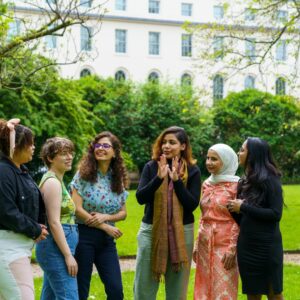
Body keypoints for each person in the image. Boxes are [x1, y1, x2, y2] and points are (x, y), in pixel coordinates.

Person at [134, 126, 201, 300]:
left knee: (177, 289)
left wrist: (177, 182)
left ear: (183, 146)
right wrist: (158, 178)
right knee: (144, 287)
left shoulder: (192, 171)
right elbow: (141, 198)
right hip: (151, 230)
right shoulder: (151, 167)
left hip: (182, 231)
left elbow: (192, 204)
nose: (166, 146)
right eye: (164, 142)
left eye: (172, 142)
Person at [70, 131, 129, 300]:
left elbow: (123, 213)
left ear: (115, 152)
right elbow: (76, 208)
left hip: (106, 242)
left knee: (116, 290)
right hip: (83, 237)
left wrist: (106, 218)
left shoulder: (117, 178)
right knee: (82, 289)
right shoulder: (83, 174)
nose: (101, 149)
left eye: (106, 146)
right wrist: (103, 226)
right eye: (98, 145)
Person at [228, 137, 284, 300]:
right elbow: (243, 219)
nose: (239, 153)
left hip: (266, 247)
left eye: (242, 150)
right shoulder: (243, 182)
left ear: (254, 154)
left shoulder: (271, 179)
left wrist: (243, 207)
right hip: (247, 246)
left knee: (274, 293)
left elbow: (275, 214)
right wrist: (232, 209)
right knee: (252, 293)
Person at [0, 118, 48, 300]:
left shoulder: (21, 171)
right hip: (7, 248)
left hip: (18, 247)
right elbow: (6, 211)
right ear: (16, 145)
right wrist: (34, 229)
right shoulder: (3, 172)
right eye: (30, 143)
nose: (33, 147)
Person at [193, 143, 240, 300]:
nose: (208, 162)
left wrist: (233, 248)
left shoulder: (237, 186)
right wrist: (196, 243)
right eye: (207, 158)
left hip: (225, 243)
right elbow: (204, 214)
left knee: (223, 289)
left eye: (214, 159)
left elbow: (238, 219)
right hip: (205, 243)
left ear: (226, 161)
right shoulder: (207, 183)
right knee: (203, 286)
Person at [35, 137, 79, 299]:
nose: (69, 157)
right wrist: (68, 255)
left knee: (50, 297)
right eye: (64, 154)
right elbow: (54, 222)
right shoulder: (52, 182)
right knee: (69, 296)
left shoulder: (57, 180)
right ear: (50, 158)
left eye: (70, 153)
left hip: (56, 247)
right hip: (56, 248)